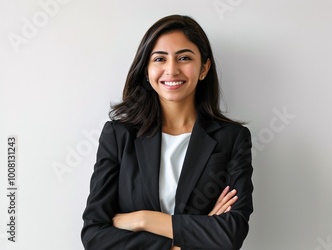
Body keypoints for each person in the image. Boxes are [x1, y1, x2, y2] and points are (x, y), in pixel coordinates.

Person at [81, 15, 253, 250]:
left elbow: (231, 234)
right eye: (159, 58)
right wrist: (187, 239)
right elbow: (94, 236)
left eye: (184, 58)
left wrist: (143, 220)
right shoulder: (118, 136)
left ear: (204, 68)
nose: (171, 70)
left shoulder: (232, 139)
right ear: (146, 70)